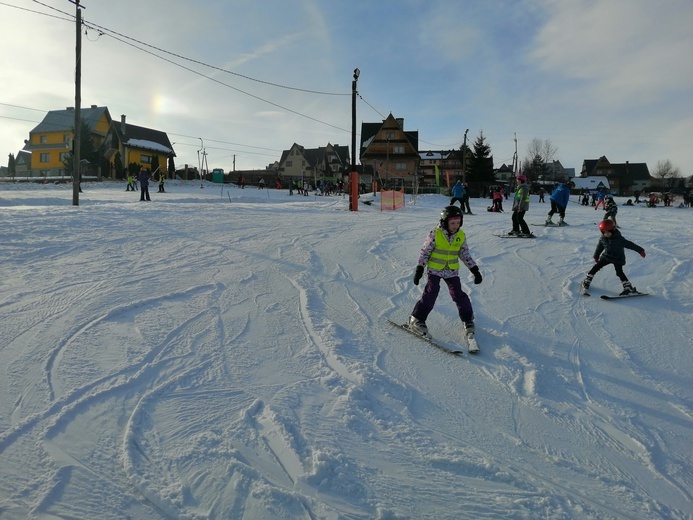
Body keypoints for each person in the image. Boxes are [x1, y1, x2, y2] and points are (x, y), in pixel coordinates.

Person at [408, 205, 483, 344]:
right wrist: (419, 268)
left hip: (451, 270)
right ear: (444, 222)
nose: (456, 226)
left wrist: (474, 269)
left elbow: (464, 254)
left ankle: (468, 319)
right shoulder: (435, 234)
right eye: (452, 223)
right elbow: (425, 252)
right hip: (435, 270)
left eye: (458, 222)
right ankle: (416, 319)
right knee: (431, 293)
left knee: (458, 294)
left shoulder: (460, 235)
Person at [581, 219, 646, 295]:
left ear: (613, 230)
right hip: (606, 257)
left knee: (619, 272)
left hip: (618, 258)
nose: (606, 234)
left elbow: (630, 245)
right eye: (604, 232)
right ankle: (587, 281)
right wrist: (596, 256)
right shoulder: (603, 238)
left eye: (608, 232)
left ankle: (628, 287)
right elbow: (599, 247)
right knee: (596, 267)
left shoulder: (619, 239)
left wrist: (640, 250)